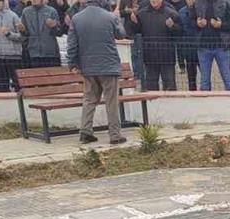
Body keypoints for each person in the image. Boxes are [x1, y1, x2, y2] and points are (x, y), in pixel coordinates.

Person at [68, 0, 127, 143]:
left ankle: (85, 131)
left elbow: (72, 44)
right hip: (108, 66)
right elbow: (121, 34)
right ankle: (115, 135)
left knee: (89, 99)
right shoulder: (110, 17)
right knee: (111, 101)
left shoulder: (76, 18)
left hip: (88, 67)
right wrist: (117, 18)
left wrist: (73, 63)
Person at [126, 0, 181, 89]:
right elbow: (135, 32)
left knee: (169, 86)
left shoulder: (171, 13)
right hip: (150, 57)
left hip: (167, 57)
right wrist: (134, 23)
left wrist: (172, 26)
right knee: (151, 87)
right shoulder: (141, 14)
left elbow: (180, 33)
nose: (153, 1)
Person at [194, 0, 230, 88]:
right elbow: (190, 23)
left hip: (222, 47)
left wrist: (221, 25)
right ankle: (205, 98)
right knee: (204, 81)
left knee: (227, 79)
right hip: (203, 48)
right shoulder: (197, 4)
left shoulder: (224, 3)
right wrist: (197, 24)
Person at [0, 0, 23, 89]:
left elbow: (21, 36)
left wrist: (9, 34)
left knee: (17, 82)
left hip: (13, 55)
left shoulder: (13, 15)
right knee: (1, 83)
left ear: (4, 2)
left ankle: (19, 97)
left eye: (0, 1)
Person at [21, 0, 65, 69]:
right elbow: (25, 34)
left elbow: (59, 33)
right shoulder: (25, 12)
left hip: (50, 53)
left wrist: (54, 27)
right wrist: (22, 30)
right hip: (33, 53)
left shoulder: (51, 11)